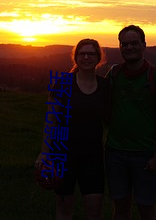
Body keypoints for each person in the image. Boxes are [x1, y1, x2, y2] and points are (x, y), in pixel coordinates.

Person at [35, 39, 109, 220]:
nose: (86, 57)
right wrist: (45, 153)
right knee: (64, 212)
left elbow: (109, 120)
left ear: (98, 58)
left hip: (93, 156)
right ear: (75, 58)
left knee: (94, 212)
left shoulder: (105, 86)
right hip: (62, 156)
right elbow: (50, 121)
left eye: (91, 53)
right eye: (81, 53)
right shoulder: (62, 84)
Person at [105, 25, 156, 220]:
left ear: (144, 45)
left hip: (145, 155)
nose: (129, 48)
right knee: (120, 206)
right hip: (115, 152)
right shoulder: (114, 74)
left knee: (146, 207)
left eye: (134, 43)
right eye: (124, 44)